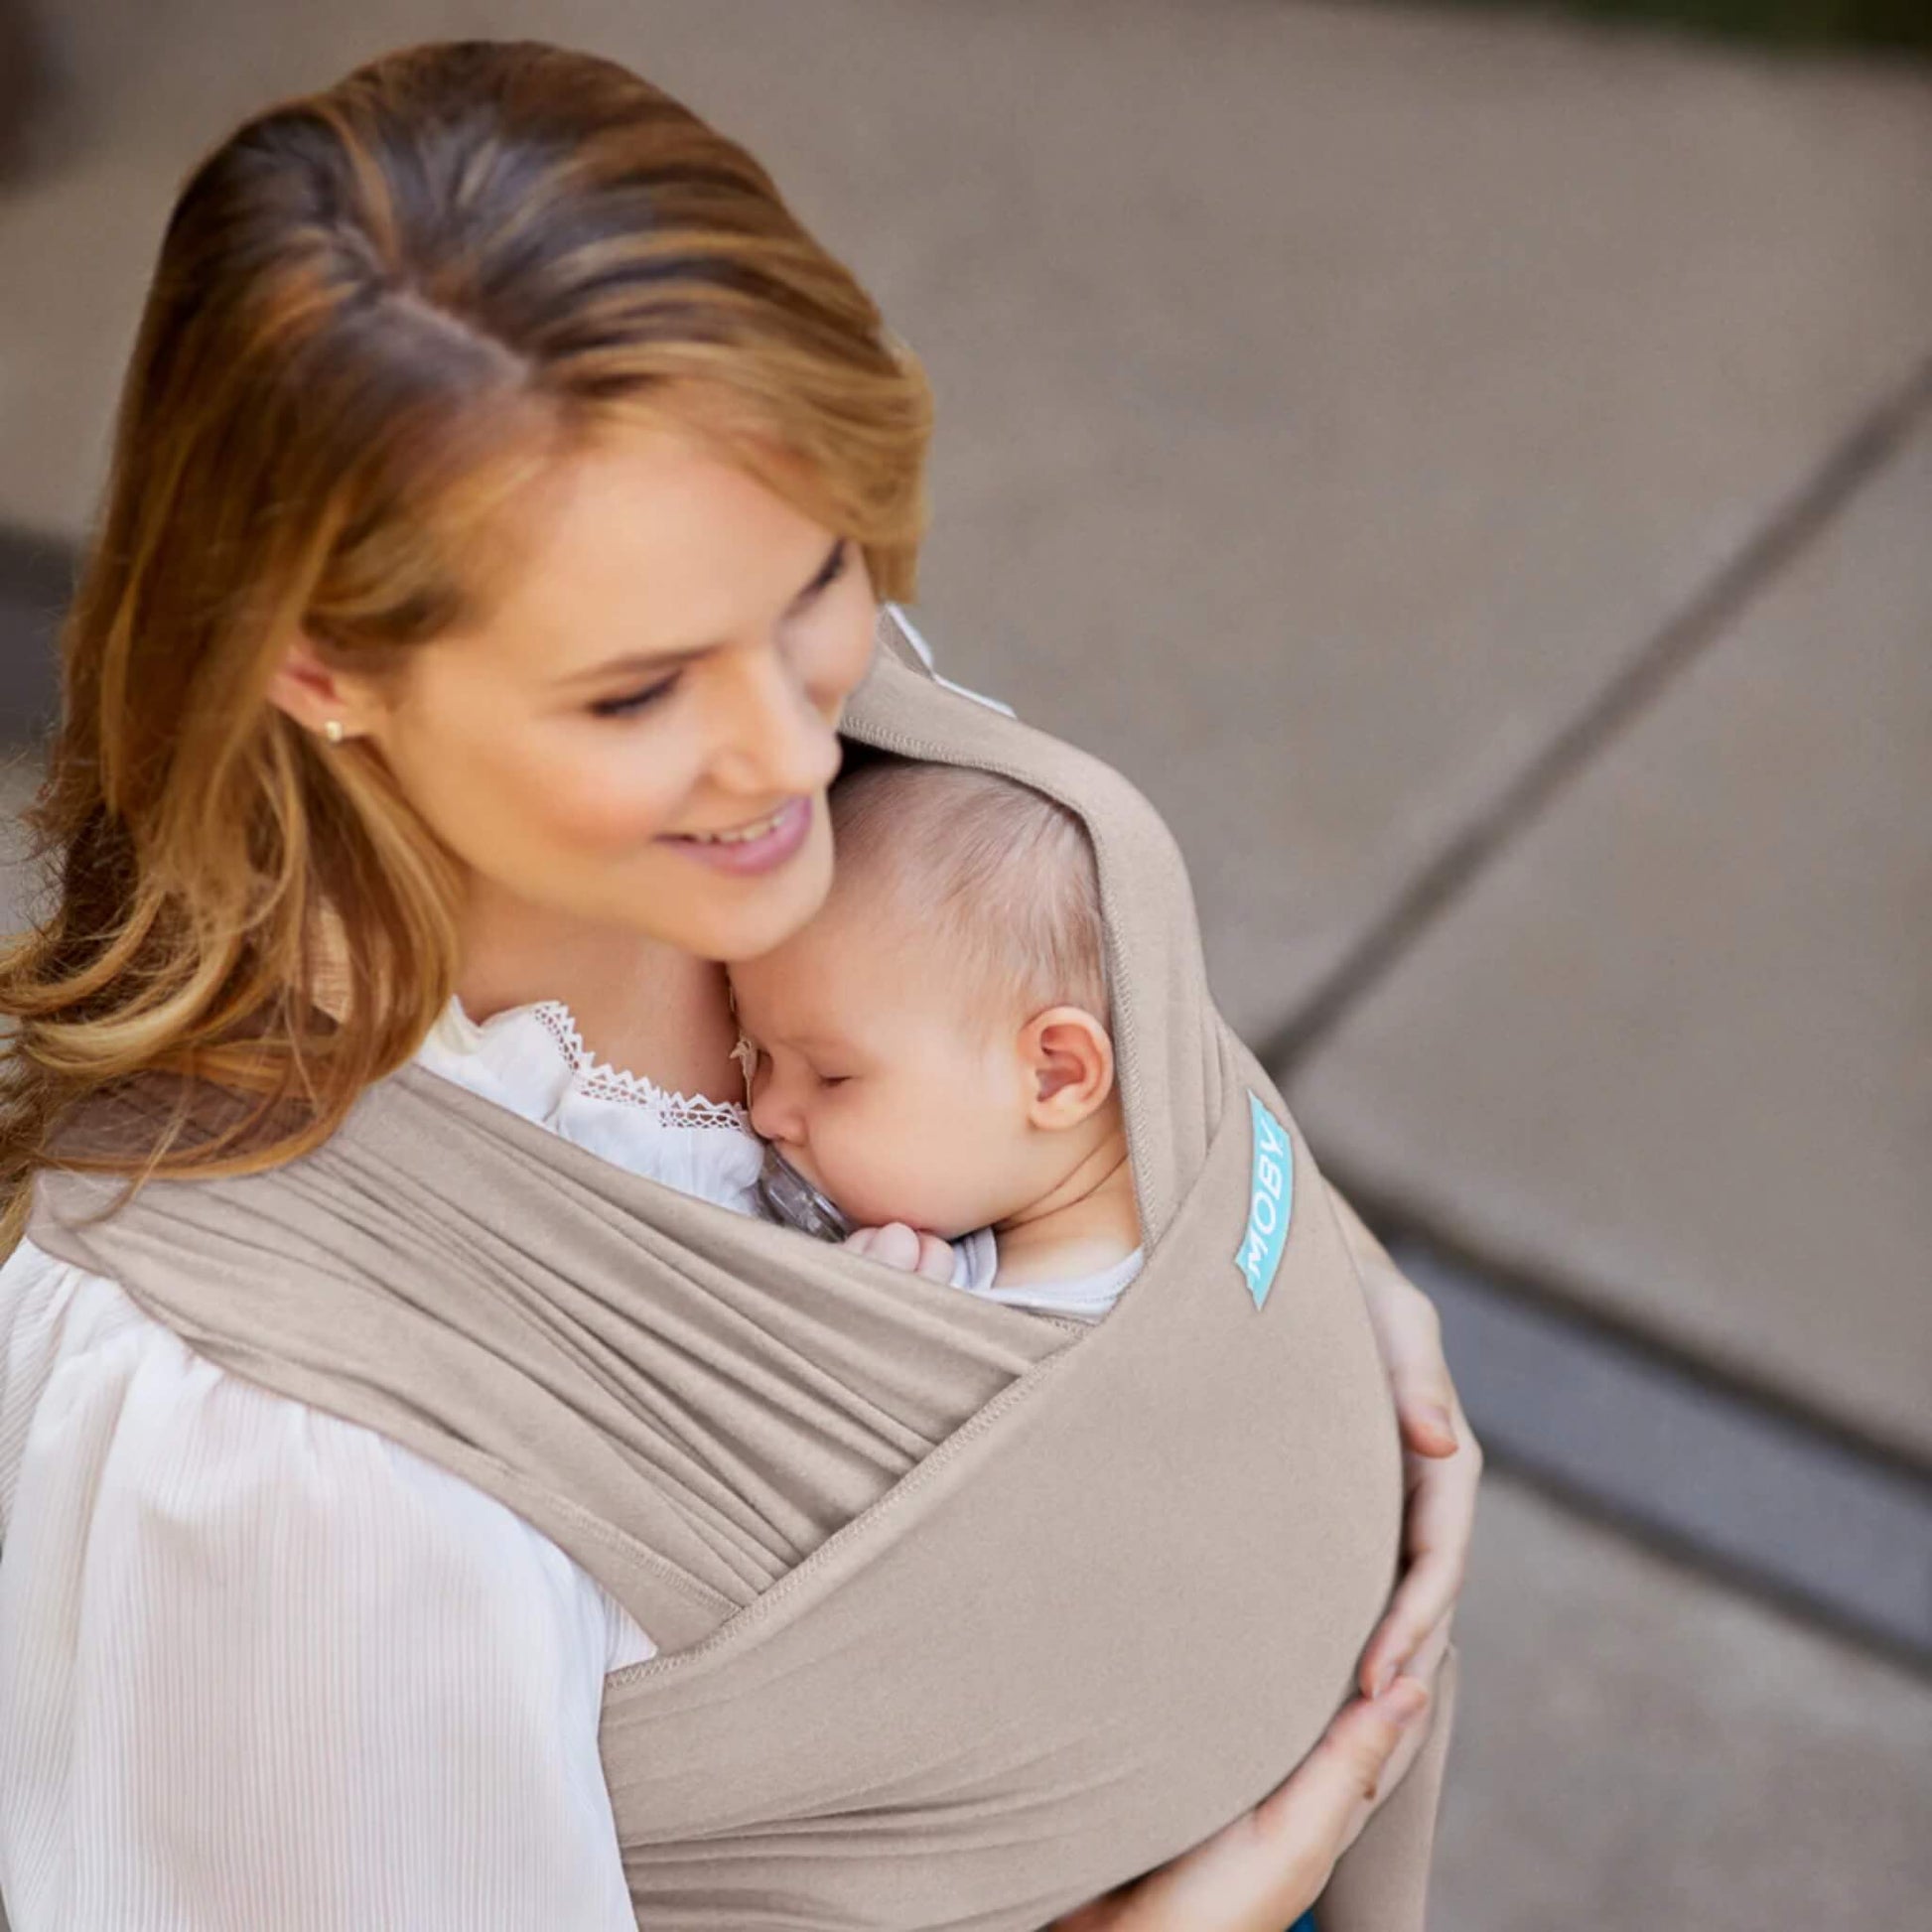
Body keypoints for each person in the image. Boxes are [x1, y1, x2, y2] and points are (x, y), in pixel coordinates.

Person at [0, 40, 1479, 1930]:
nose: (792, 752)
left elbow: (1106, 1069)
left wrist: (1283, 1268)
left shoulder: (800, 764)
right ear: (318, 670)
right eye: (634, 694)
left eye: (818, 585)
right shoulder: (277, 1444)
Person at [729, 757, 1144, 1316]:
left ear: (1055, 1075)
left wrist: (869, 1331)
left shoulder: (1037, 1335)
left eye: (831, 1076)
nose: (766, 1113)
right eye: (760, 1056)